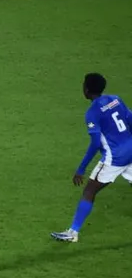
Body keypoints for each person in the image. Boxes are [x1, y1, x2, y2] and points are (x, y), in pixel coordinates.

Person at [51, 73, 132, 243]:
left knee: (89, 191)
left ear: (86, 90)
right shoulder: (116, 99)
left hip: (115, 158)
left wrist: (81, 169)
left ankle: (73, 233)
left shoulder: (92, 113)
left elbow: (95, 143)